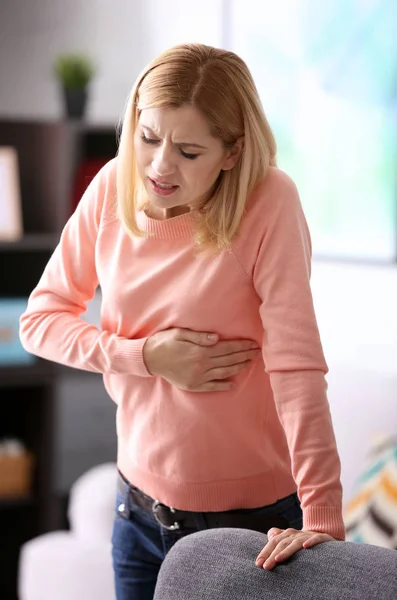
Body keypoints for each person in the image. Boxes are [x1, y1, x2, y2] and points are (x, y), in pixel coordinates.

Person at [19, 43, 345, 600]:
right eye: (148, 138)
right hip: (138, 512)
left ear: (232, 151)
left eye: (189, 151)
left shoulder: (269, 202)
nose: (160, 166)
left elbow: (297, 366)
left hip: (249, 524)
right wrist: (145, 356)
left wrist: (322, 520)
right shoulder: (111, 188)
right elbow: (41, 321)